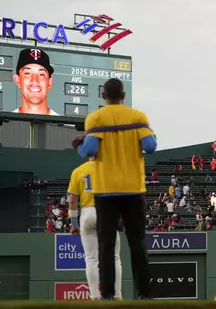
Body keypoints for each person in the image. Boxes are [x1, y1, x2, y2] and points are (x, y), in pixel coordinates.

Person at [77, 78, 157, 300]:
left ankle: (109, 296)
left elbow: (90, 149)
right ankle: (144, 295)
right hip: (133, 189)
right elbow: (150, 147)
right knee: (137, 243)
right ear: (123, 96)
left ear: (103, 96)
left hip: (105, 191)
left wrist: (80, 147)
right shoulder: (138, 117)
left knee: (106, 246)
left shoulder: (95, 118)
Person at [67, 154, 123, 301]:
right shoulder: (110, 169)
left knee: (91, 259)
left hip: (87, 213)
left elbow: (72, 201)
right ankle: (117, 295)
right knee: (114, 257)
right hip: (106, 211)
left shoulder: (78, 171)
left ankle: (94, 296)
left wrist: (74, 225)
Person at [12, 48, 58, 115]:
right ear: (17, 80)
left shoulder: (63, 125)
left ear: (50, 82)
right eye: (27, 73)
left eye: (41, 74)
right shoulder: (4, 124)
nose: (34, 81)